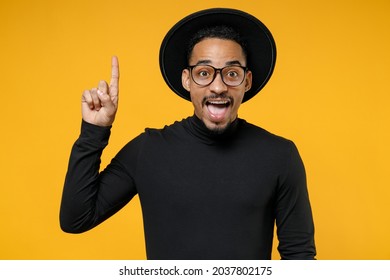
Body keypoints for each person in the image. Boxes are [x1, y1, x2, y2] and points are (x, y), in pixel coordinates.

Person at [60, 8, 316, 260]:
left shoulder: (280, 156)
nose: (218, 86)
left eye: (232, 74)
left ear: (246, 82)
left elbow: (299, 258)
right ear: (187, 80)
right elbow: (76, 219)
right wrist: (94, 131)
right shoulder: (148, 150)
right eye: (204, 73)